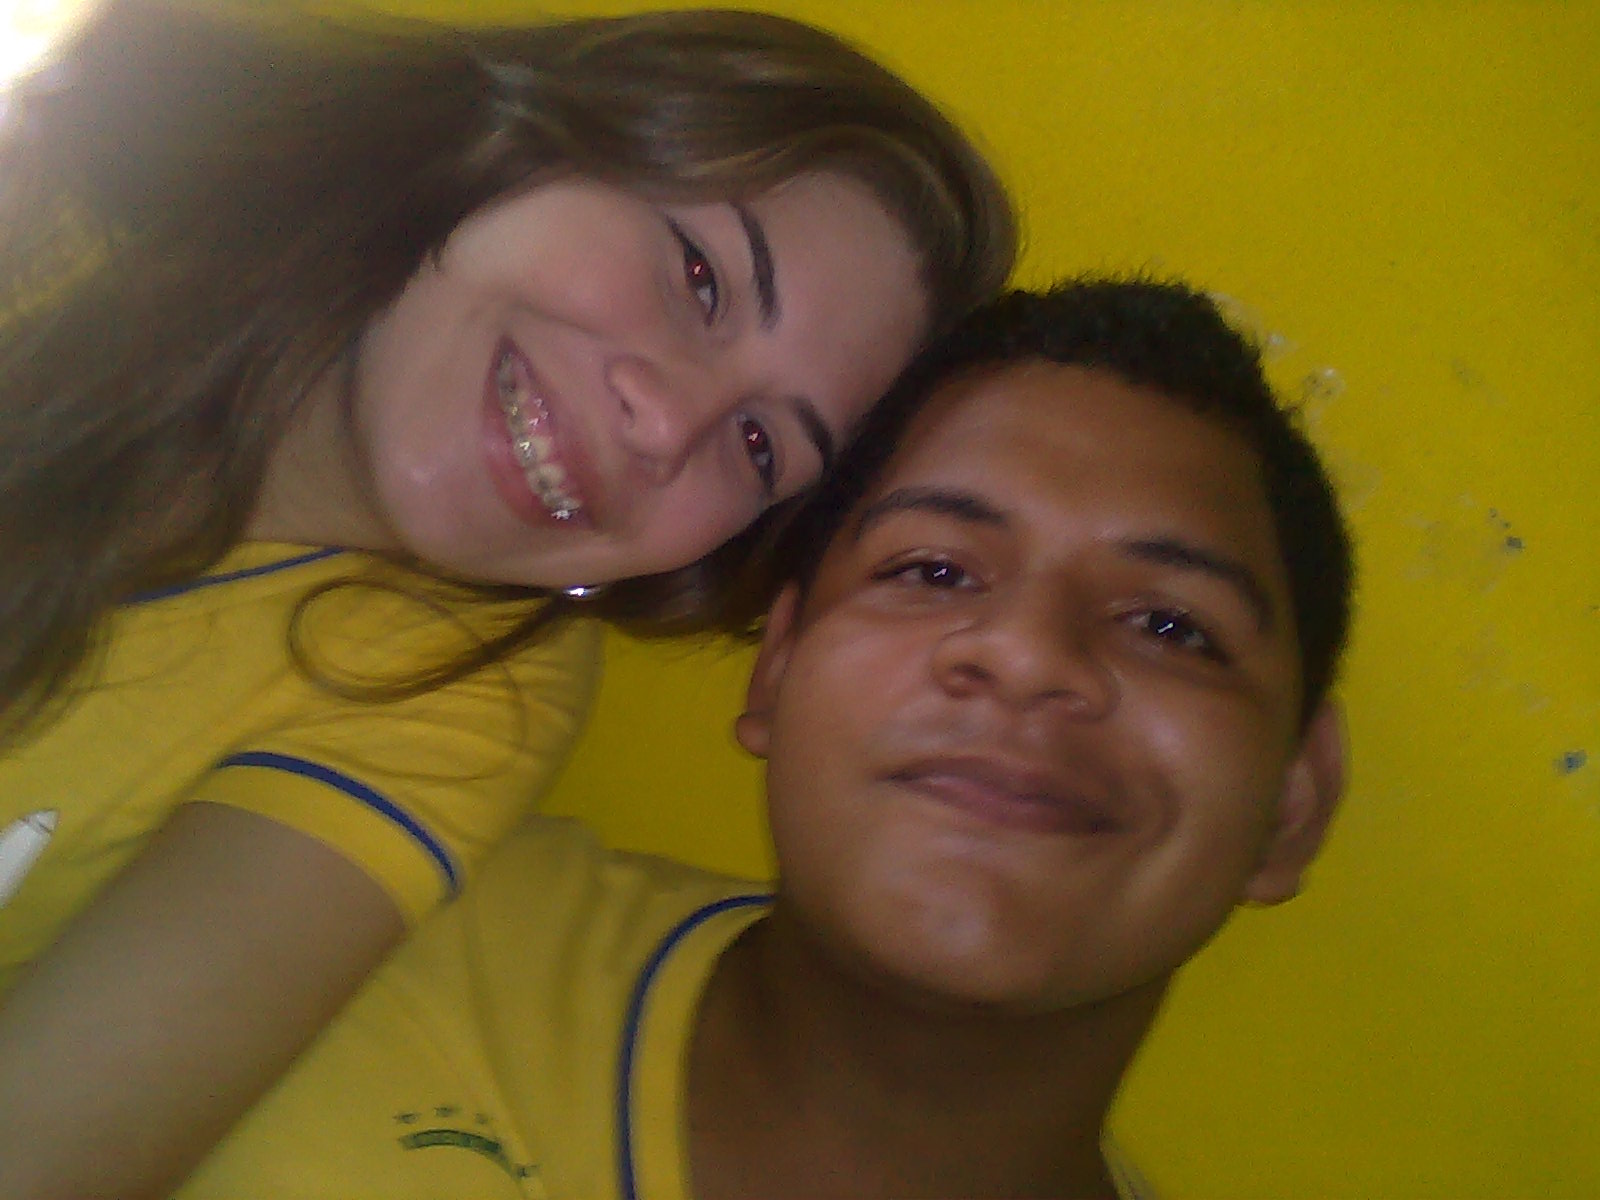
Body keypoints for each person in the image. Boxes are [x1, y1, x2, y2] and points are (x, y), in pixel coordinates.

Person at [0, 2, 1017, 1195]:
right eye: (700, 278)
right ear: (530, 138)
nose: (667, 423)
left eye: (758, 445)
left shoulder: (466, 682)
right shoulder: (49, 174)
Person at [174, 277, 1355, 1199]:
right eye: (934, 569)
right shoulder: (339, 923)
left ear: (1293, 803)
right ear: (778, 667)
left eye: (1170, 626)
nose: (1027, 654)